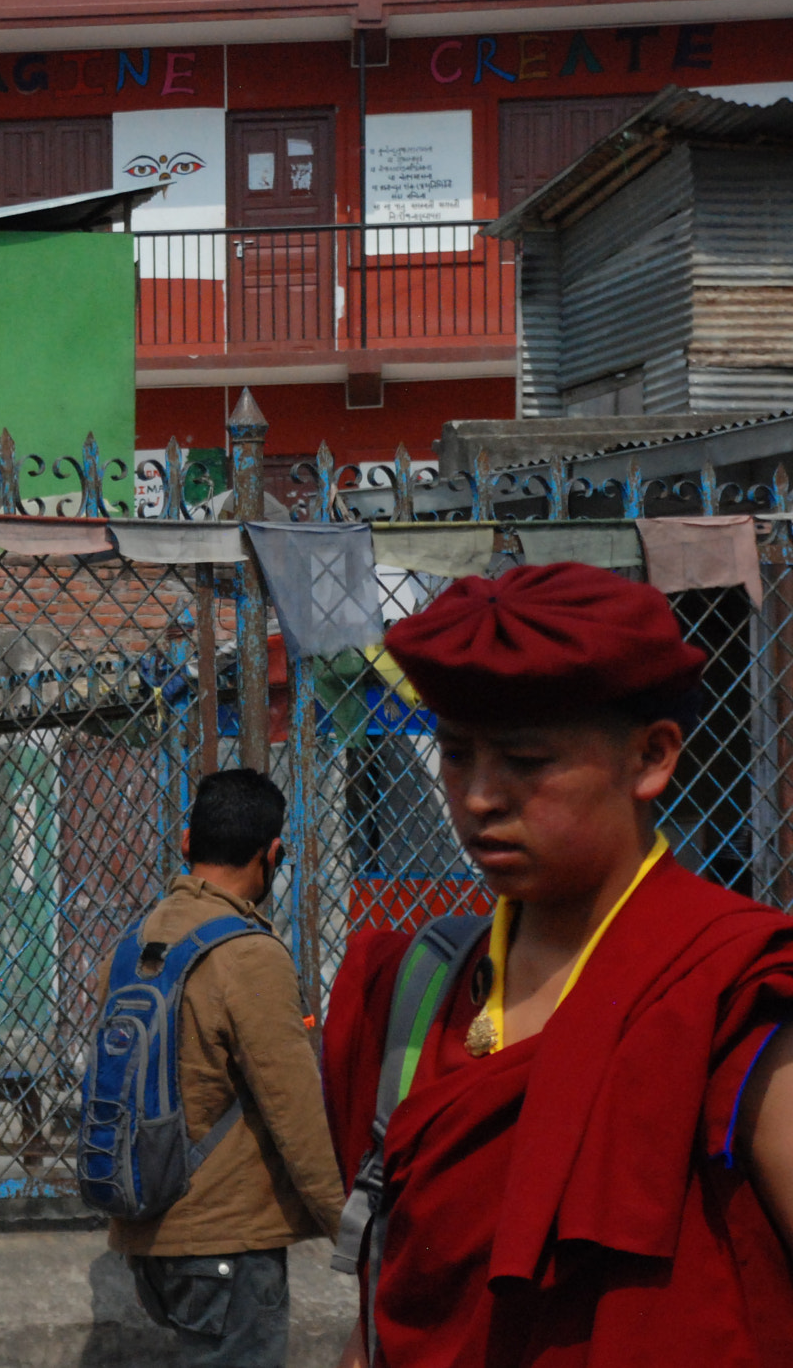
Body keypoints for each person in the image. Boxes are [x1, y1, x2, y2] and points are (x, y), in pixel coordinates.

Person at [322, 562, 793, 1367]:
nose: (477, 797)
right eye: (457, 754)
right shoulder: (411, 989)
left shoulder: (732, 985)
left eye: (527, 760)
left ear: (650, 757)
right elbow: (386, 1303)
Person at [106, 767, 344, 1368]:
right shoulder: (248, 953)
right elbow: (294, 1109)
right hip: (228, 1245)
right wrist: (348, 1223)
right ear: (273, 854)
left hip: (154, 1237)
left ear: (186, 843)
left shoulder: (139, 940)